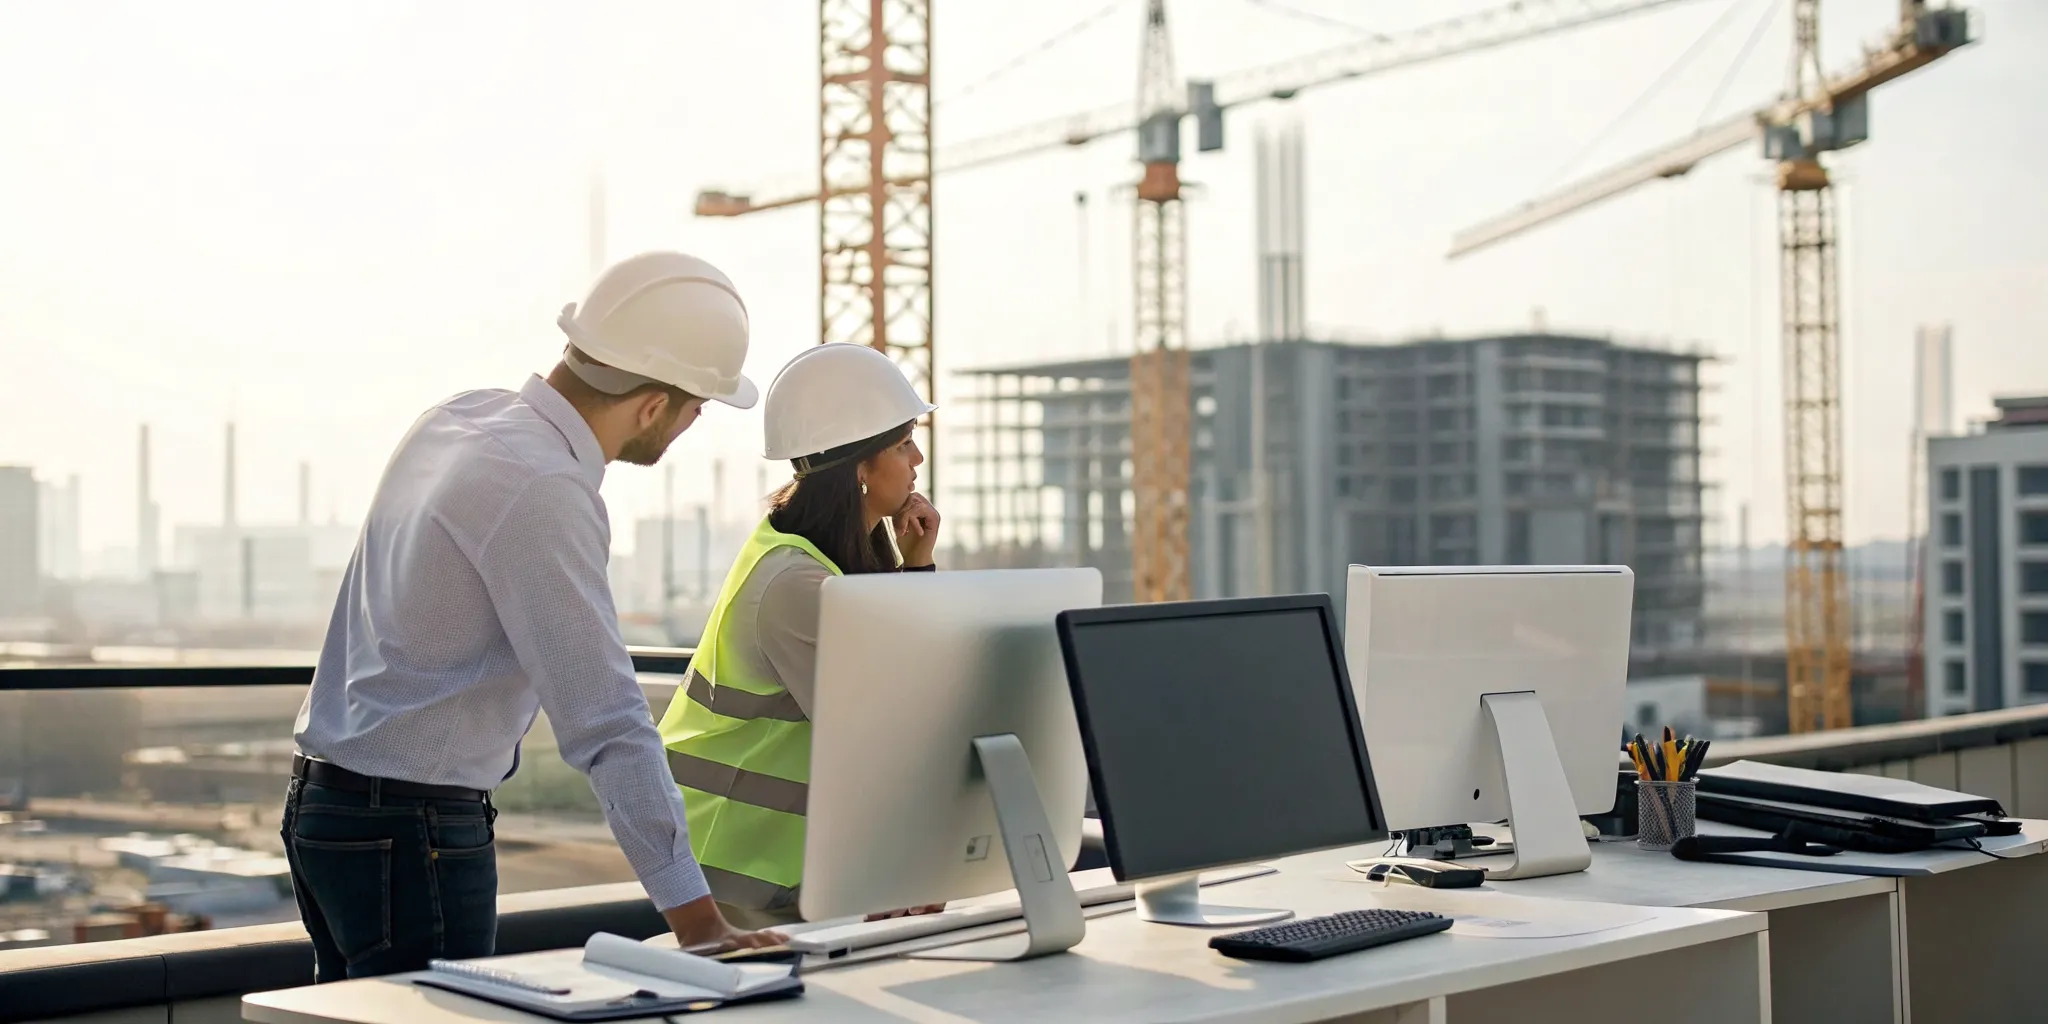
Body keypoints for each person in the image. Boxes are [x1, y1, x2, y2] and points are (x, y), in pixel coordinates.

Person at [284, 252, 786, 984]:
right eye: (696, 408)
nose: (691, 424)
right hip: (411, 830)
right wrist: (699, 923)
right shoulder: (544, 486)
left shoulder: (457, 418)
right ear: (652, 406)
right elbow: (606, 721)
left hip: (322, 808)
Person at [658, 343, 944, 929]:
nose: (917, 459)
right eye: (902, 443)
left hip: (775, 866)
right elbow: (890, 722)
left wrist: (915, 565)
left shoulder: (825, 558)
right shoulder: (796, 583)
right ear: (860, 468)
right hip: (739, 870)